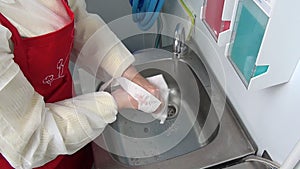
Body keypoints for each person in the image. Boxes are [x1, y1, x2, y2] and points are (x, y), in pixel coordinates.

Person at [0, 0, 161, 168]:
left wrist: (129, 75)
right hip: (32, 150)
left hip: (72, 126)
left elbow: (81, 25)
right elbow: (31, 141)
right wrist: (115, 102)